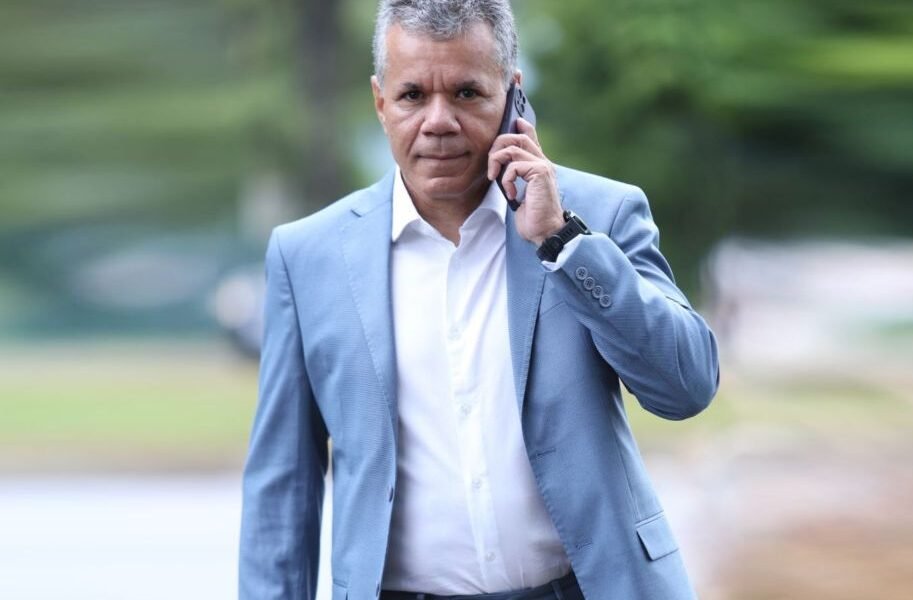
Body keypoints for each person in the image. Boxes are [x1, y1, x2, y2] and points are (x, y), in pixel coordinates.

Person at [238, 1, 720, 598]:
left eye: (467, 93)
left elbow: (685, 387)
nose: (438, 121)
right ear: (380, 101)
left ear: (513, 96)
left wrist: (563, 241)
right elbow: (282, 485)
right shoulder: (307, 256)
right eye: (413, 95)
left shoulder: (600, 215)